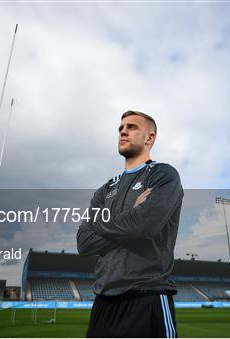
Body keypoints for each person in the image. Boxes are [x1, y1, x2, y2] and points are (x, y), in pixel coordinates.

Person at [77, 110, 184, 338]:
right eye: (121, 128)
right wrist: (133, 213)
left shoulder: (163, 175)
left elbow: (145, 226)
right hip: (103, 301)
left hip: (147, 295)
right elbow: (84, 243)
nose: (123, 131)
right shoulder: (105, 189)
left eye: (132, 127)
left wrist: (109, 222)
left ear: (150, 138)